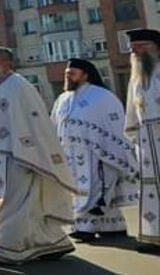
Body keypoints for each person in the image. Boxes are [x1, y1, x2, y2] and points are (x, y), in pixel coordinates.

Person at [0, 47, 80, 265]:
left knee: (11, 203)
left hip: (19, 156)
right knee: (23, 204)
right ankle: (53, 243)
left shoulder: (19, 85)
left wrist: (30, 153)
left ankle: (5, 249)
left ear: (6, 61)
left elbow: (35, 121)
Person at [50, 58, 138, 242]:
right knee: (79, 190)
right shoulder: (63, 98)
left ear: (85, 75)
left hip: (97, 155)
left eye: (72, 73)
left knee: (94, 190)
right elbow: (54, 125)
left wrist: (108, 148)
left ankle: (85, 228)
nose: (68, 77)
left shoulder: (102, 96)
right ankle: (112, 225)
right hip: (69, 155)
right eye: (67, 74)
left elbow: (114, 125)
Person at [123, 28, 160, 253]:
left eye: (139, 46)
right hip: (147, 141)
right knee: (150, 189)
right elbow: (131, 109)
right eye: (132, 48)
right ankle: (154, 234)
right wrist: (134, 136)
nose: (134, 52)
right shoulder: (137, 78)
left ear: (154, 47)